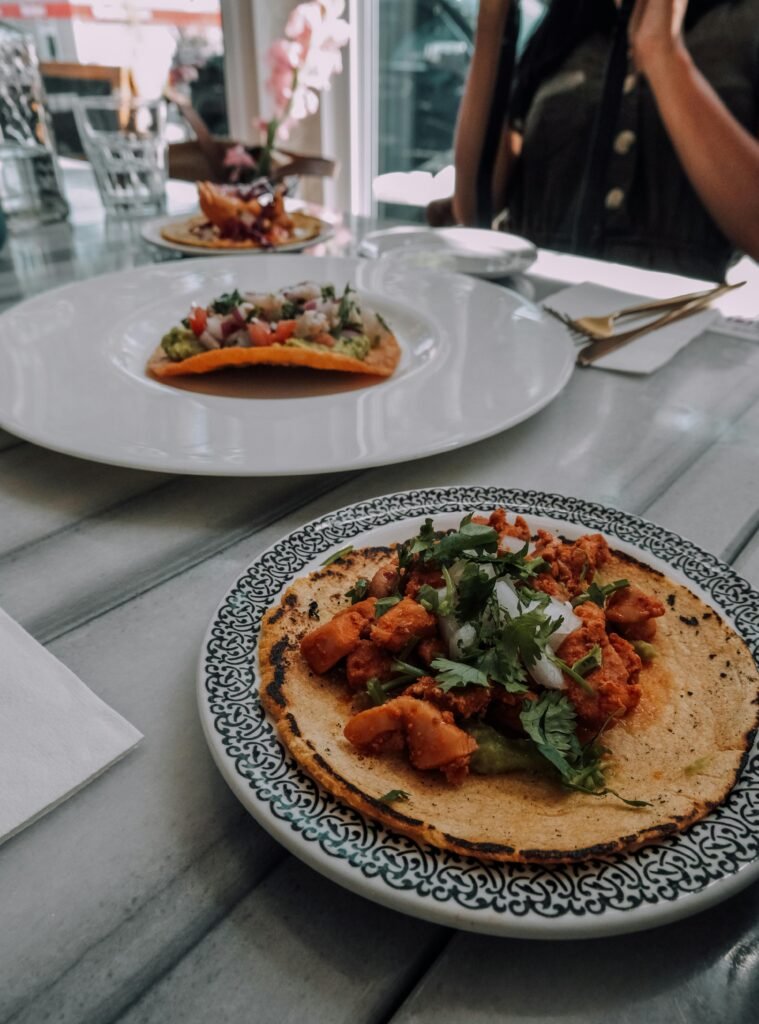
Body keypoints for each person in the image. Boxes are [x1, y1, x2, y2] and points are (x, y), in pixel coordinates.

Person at [442, 0, 759, 280]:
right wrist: (494, 16)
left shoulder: (742, 25)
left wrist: (663, 54)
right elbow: (473, 207)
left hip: (670, 325)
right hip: (530, 314)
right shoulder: (565, 27)